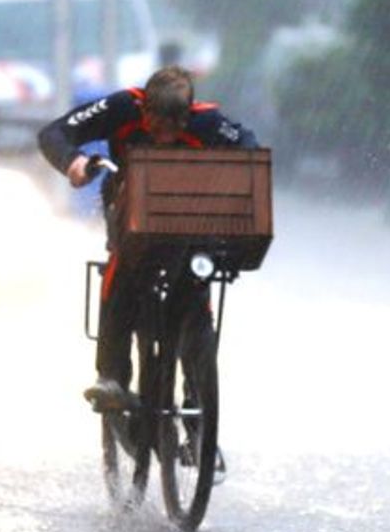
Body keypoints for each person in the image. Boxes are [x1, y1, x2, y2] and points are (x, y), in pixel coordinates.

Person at [37, 64, 258, 411]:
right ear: (145, 111)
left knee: (198, 283)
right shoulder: (122, 107)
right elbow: (55, 133)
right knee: (121, 268)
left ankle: (197, 395)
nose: (164, 138)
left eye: (175, 129)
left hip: (189, 224)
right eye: (156, 128)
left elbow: (248, 147)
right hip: (130, 218)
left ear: (188, 116)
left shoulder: (209, 122)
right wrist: (73, 161)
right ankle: (112, 376)